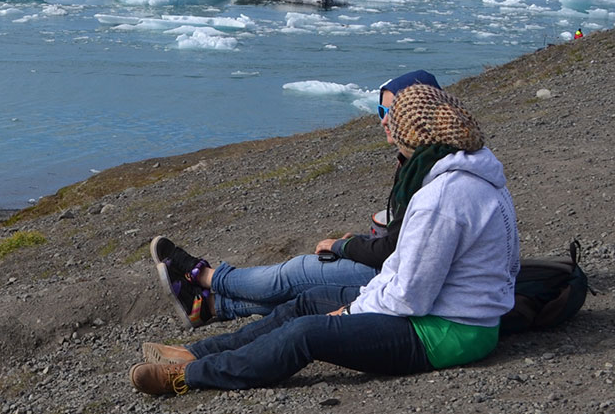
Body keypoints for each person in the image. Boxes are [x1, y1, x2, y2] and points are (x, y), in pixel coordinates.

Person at [131, 83, 519, 395]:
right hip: (450, 317)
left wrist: (350, 313)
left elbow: (410, 297)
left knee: (309, 333)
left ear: (413, 135)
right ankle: (192, 352)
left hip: (446, 332)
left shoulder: (443, 198)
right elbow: (404, 269)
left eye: (394, 127)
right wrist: (358, 303)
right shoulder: (477, 177)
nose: (391, 138)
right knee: (307, 302)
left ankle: (191, 375)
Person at [153, 70, 441, 327]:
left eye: (394, 112)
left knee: (296, 274)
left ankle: (204, 276)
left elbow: (393, 249)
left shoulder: (432, 172)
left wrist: (345, 246)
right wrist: (365, 242)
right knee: (303, 290)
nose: (385, 121)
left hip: (401, 279)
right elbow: (400, 238)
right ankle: (209, 307)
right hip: (397, 269)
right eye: (381, 111)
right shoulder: (414, 160)